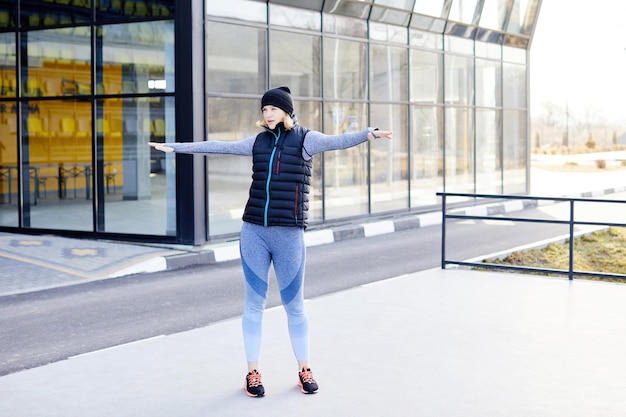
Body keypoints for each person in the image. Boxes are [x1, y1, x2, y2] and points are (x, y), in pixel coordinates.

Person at [149, 86, 392, 397]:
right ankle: (253, 372)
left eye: (272, 109)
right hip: (254, 232)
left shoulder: (306, 139)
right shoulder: (258, 142)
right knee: (253, 305)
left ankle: (304, 368)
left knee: (295, 306)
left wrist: (368, 133)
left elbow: (338, 141)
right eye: (264, 110)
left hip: (289, 234)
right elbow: (218, 146)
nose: (267, 114)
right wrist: (175, 148)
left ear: (286, 111)